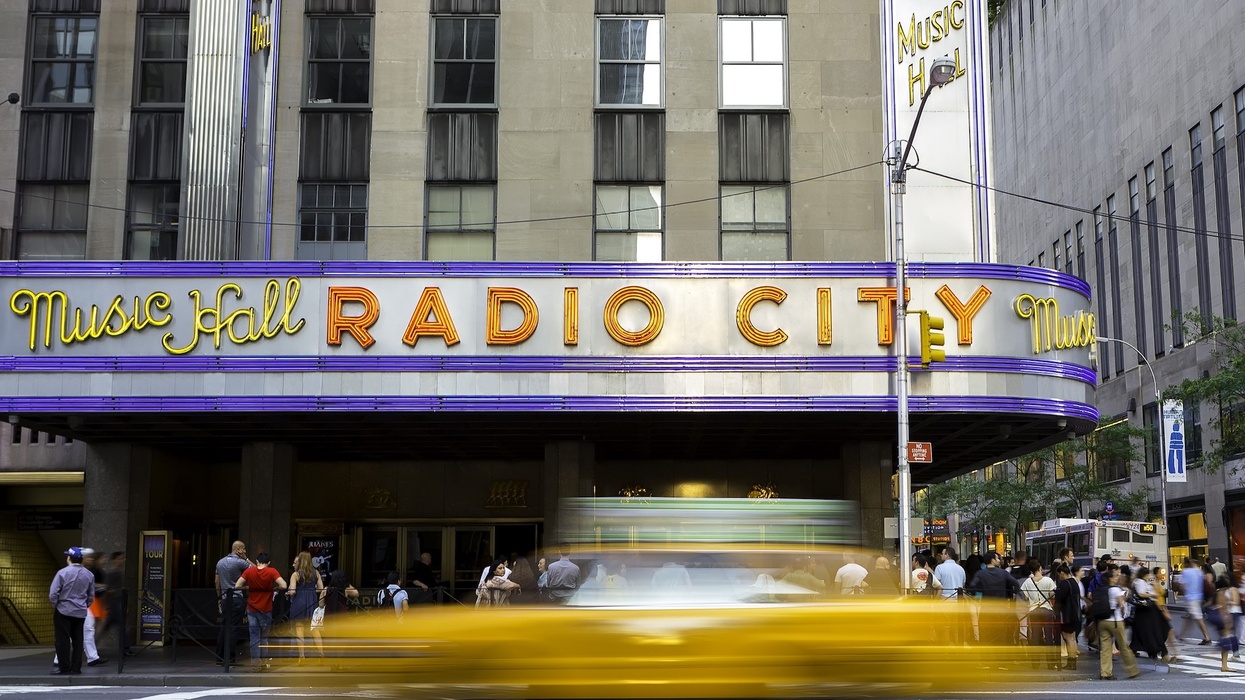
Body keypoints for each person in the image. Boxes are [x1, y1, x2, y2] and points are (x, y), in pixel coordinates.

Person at [235, 553, 287, 671]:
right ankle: (264, 662)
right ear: (268, 563)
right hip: (266, 609)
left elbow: (237, 585)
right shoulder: (272, 571)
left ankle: (255, 664)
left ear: (257, 561)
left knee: (254, 637)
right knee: (264, 637)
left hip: (252, 608)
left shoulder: (249, 572)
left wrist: (247, 588)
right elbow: (283, 585)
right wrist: (274, 588)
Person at [49, 546, 95, 675]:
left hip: (63, 610)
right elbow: (91, 596)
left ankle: (64, 667)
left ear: (69, 558)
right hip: (80, 611)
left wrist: (56, 604)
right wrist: (84, 605)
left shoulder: (62, 573)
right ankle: (76, 668)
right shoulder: (89, 574)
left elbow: (53, 593)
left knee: (62, 640)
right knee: (78, 640)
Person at [1097, 567, 1140, 680]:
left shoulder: (1101, 589)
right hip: (1115, 621)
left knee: (1105, 648)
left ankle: (1105, 673)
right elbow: (1121, 604)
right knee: (1124, 646)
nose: (1116, 578)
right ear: (1110, 579)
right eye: (1115, 576)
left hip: (1102, 621)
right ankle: (1132, 670)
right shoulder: (1116, 590)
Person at [214, 541, 251, 665]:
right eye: (244, 549)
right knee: (234, 628)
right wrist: (246, 558)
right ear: (239, 549)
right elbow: (257, 570)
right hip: (237, 598)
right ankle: (230, 658)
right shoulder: (240, 562)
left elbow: (216, 581)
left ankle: (219, 657)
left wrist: (219, 597)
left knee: (224, 627)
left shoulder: (220, 562)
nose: (245, 551)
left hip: (225, 598)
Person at [1020, 558, 1059, 670]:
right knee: (1049, 637)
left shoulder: (1027, 582)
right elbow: (1052, 594)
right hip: (1046, 610)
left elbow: (1026, 597)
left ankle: (1035, 663)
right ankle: (1051, 663)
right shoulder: (1048, 580)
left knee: (1035, 637)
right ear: (1039, 568)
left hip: (1033, 611)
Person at [286, 551, 325, 661]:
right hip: (312, 602)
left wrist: (288, 593)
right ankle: (321, 654)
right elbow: (321, 589)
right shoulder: (316, 573)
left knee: (299, 630)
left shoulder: (296, 574)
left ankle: (302, 656)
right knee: (315, 629)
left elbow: (292, 591)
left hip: (299, 602)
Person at [1128, 565, 1169, 662]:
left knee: (1145, 631)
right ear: (1144, 574)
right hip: (1146, 609)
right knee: (1153, 631)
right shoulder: (1140, 582)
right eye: (1148, 574)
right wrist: (1152, 594)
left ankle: (1149, 650)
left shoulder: (1141, 582)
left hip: (1146, 610)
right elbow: (1141, 594)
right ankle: (1158, 651)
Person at [1053, 564, 1082, 670]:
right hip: (1075, 614)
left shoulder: (1064, 584)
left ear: (1062, 573)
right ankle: (1073, 661)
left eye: (1059, 574)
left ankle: (1071, 662)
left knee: (1068, 638)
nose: (1059, 577)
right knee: (1073, 638)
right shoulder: (1074, 583)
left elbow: (1059, 598)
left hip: (1067, 615)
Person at [1178, 557, 1212, 644]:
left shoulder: (1186, 572)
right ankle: (1182, 635)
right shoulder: (1199, 572)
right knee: (1189, 618)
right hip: (1199, 597)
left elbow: (1182, 586)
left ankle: (1207, 637)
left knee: (1198, 618)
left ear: (1186, 564)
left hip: (1191, 598)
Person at [1214, 574, 1242, 671]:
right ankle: (1224, 665)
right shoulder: (1222, 592)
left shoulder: (1221, 592)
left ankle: (1225, 664)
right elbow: (1222, 608)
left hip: (1226, 616)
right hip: (1224, 617)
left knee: (1227, 638)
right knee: (1226, 640)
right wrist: (1226, 620)